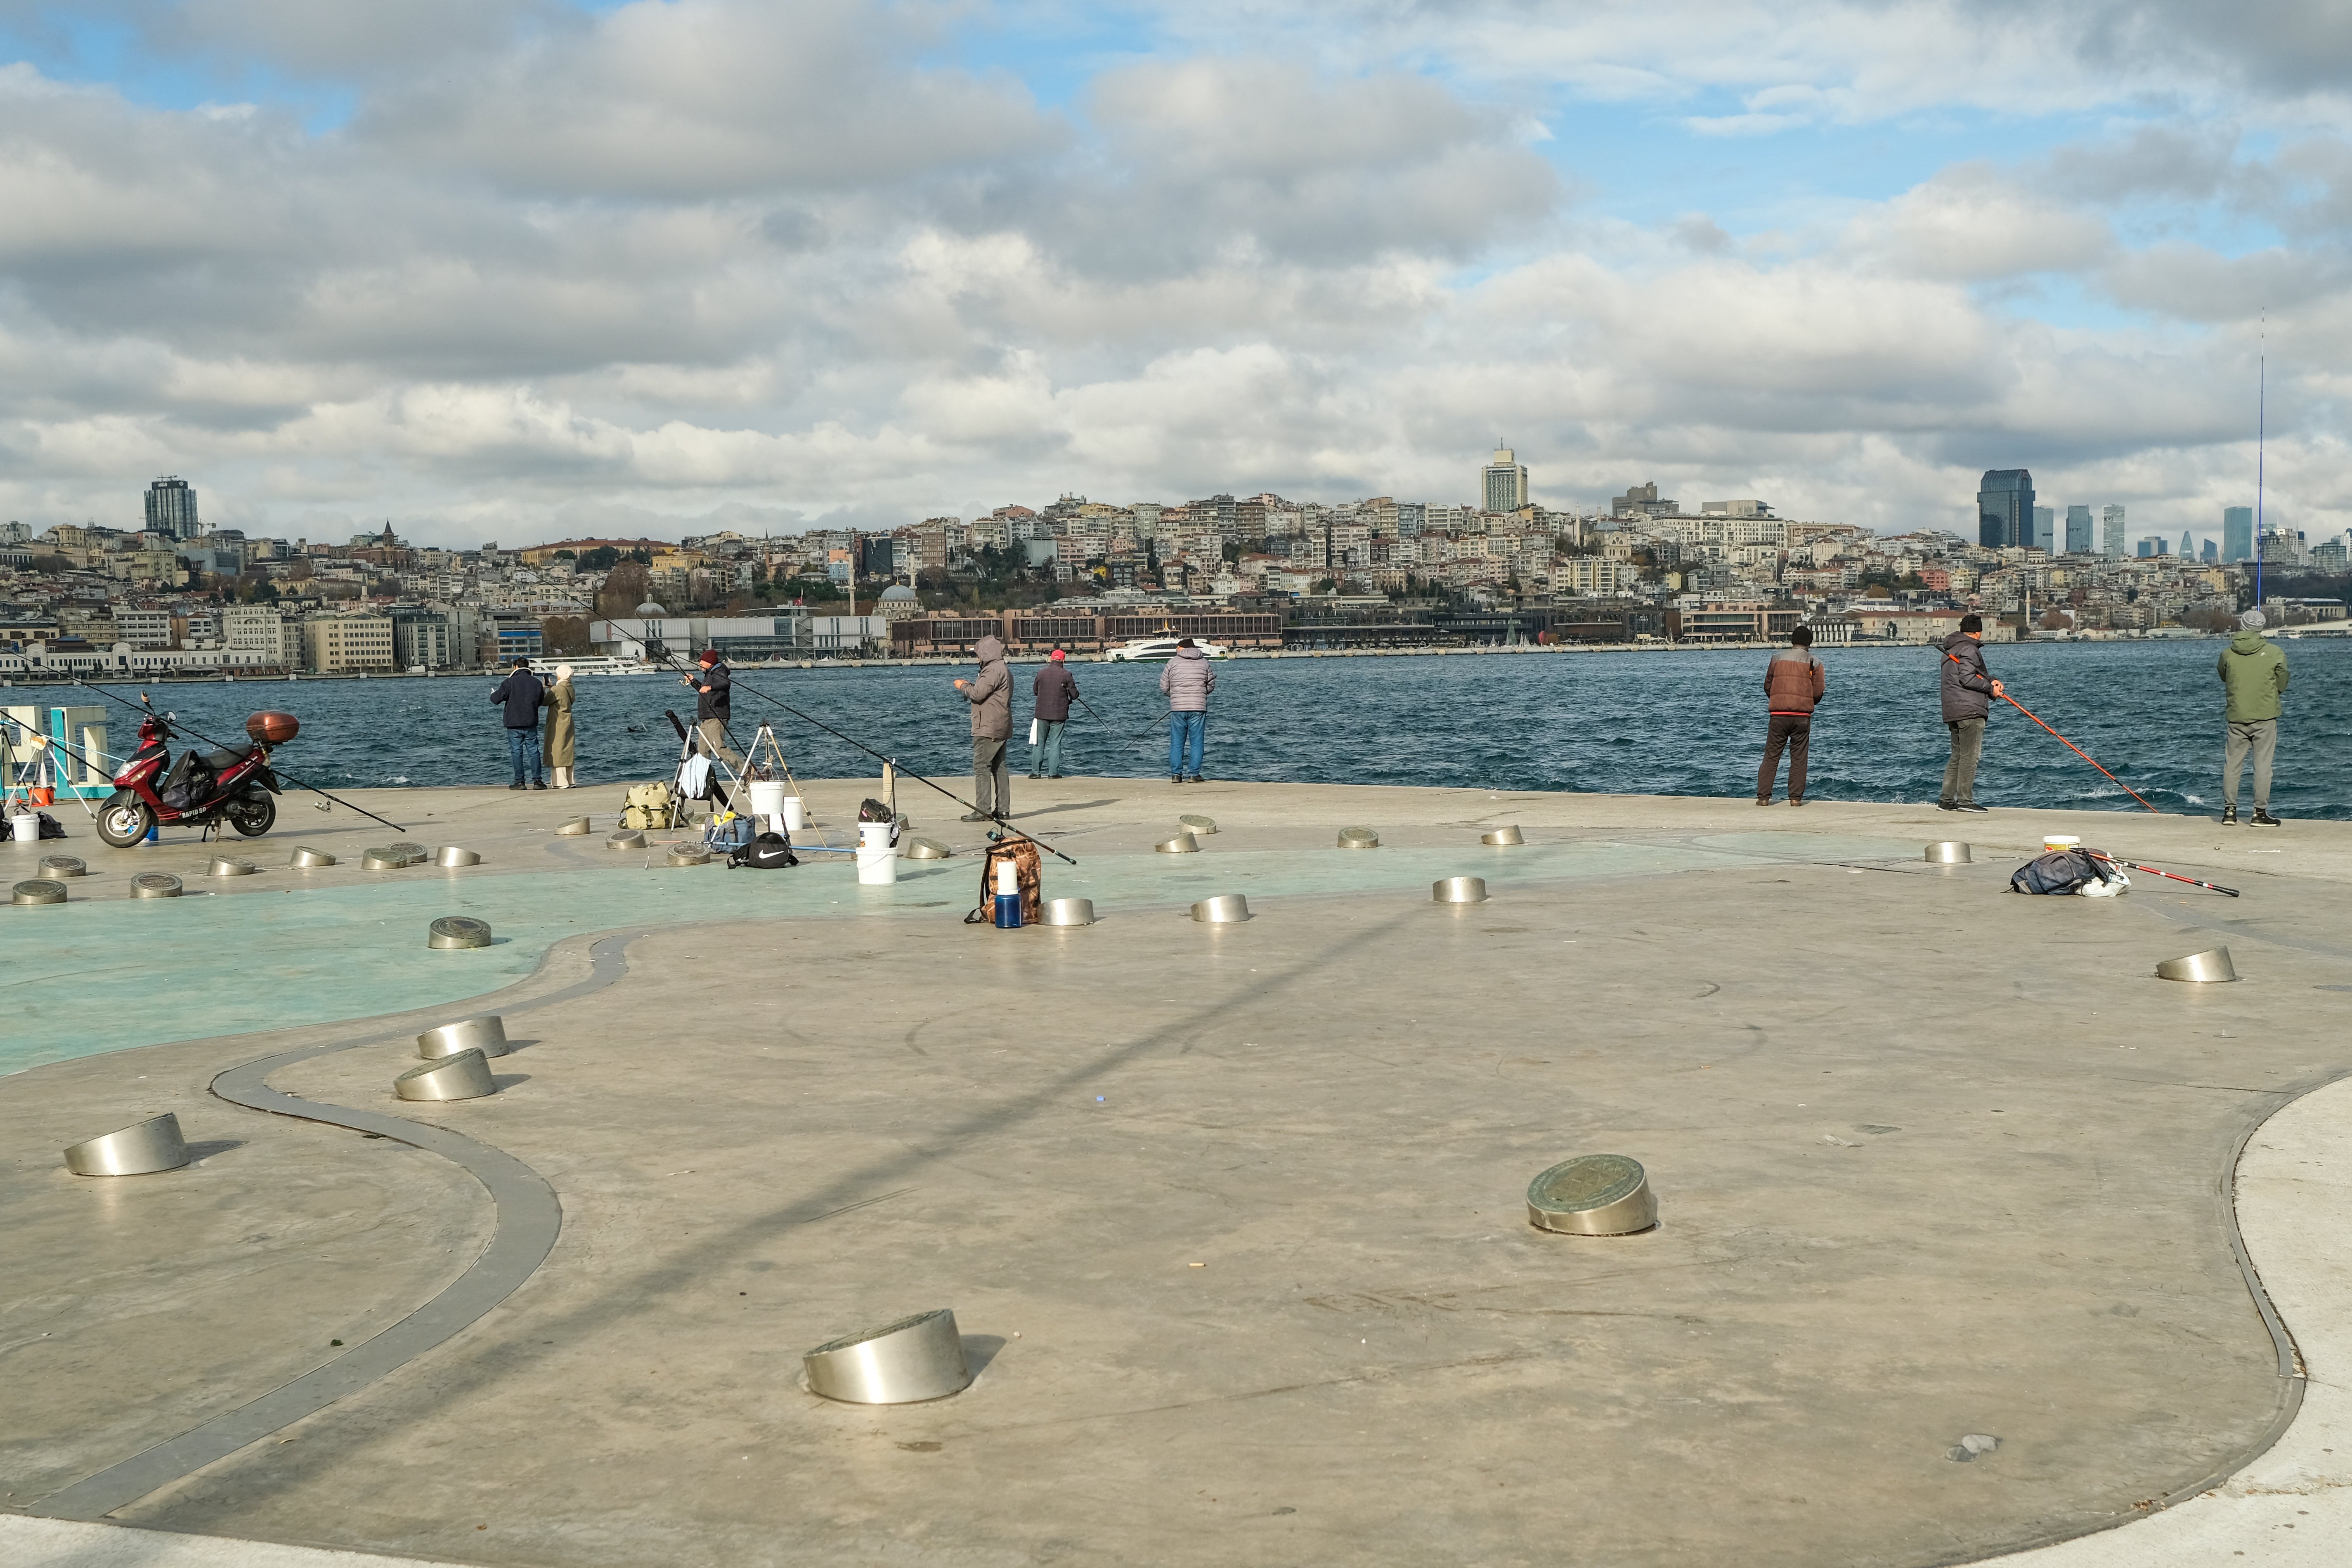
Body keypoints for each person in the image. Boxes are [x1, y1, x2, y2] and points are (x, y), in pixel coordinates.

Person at [2219, 609, 2288, 827]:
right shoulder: (2275, 652)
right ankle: (2259, 814)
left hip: (2237, 716)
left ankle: (2230, 813)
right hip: (2265, 716)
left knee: (2232, 766)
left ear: (2242, 625)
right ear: (2262, 627)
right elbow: (2283, 682)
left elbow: (2223, 676)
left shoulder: (2228, 654)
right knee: (2263, 767)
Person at [1936, 614, 2002, 813]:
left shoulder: (1952, 649)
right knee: (1970, 756)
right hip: (1970, 710)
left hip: (1953, 709)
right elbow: (1967, 678)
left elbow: (1969, 674)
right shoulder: (1970, 649)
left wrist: (1991, 680)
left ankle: (1947, 801)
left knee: (1957, 756)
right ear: (1978, 632)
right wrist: (1991, 690)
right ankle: (1965, 801)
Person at [1756, 626, 1824, 806]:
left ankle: (1763, 798)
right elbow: (1818, 692)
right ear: (1809, 643)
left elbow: (1768, 686)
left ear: (1793, 641)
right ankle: (1795, 799)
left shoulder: (1777, 659)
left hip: (1778, 715)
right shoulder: (1815, 662)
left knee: (1771, 756)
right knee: (1799, 758)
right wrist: (1807, 702)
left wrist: (1779, 698)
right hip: (1802, 715)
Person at [954, 633, 1011, 820]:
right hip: (1001, 725)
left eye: (978, 654)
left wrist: (963, 686)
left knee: (981, 766)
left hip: (988, 726)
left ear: (986, 653)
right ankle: (1003, 809)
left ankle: (983, 810)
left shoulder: (993, 671)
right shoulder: (1003, 669)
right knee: (999, 766)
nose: (977, 658)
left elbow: (978, 693)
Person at [1160, 636, 1215, 784]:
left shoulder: (1172, 663)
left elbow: (1164, 687)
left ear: (1182, 648)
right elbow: (1210, 686)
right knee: (1197, 742)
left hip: (1178, 708)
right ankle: (1194, 775)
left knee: (1177, 742)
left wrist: (1175, 695)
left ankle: (1176, 775)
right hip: (1198, 707)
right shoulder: (1205, 663)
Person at [488, 655, 548, 791]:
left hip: (514, 723)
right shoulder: (537, 683)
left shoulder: (509, 683)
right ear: (528, 667)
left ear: (516, 667)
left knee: (517, 752)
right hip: (531, 721)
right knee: (534, 751)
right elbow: (541, 702)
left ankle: (520, 782)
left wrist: (493, 694)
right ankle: (538, 781)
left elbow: (496, 700)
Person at [1031, 647, 1077, 779]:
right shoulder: (1067, 674)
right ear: (1064, 660)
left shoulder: (1041, 673)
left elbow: (1035, 691)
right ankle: (1053, 773)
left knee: (1039, 744)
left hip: (1041, 714)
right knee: (1055, 744)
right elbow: (1074, 695)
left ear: (1051, 659)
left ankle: (1036, 773)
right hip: (1059, 714)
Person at [543, 664, 578, 789]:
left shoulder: (558, 689)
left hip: (558, 722)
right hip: (568, 721)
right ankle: (570, 780)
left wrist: (546, 688)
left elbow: (544, 701)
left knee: (557, 751)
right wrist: (552, 688)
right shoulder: (570, 687)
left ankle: (561, 781)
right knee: (567, 750)